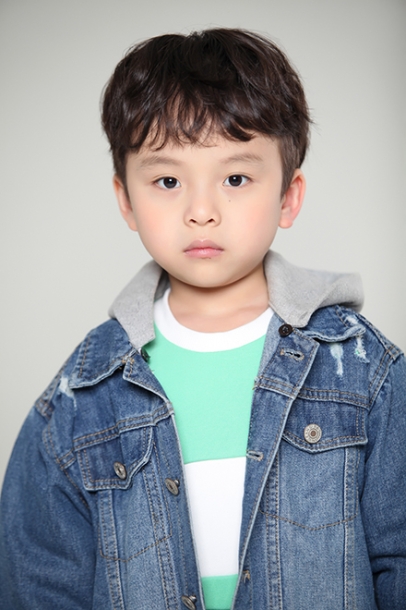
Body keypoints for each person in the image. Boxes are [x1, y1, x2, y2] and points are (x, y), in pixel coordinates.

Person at [0, 28, 405, 610]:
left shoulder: (364, 371)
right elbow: (38, 585)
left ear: (288, 196)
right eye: (167, 181)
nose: (201, 211)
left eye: (235, 179)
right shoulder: (82, 396)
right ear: (126, 199)